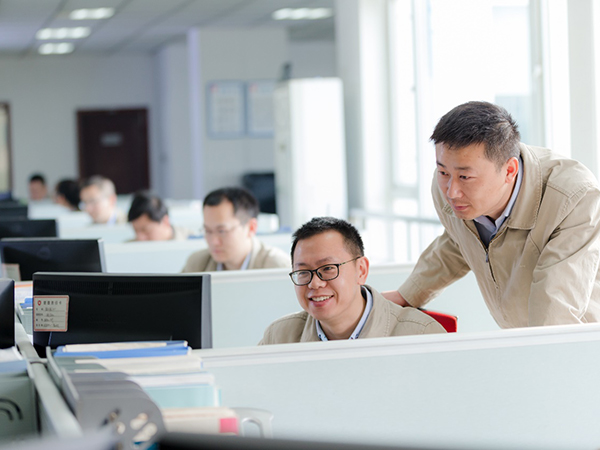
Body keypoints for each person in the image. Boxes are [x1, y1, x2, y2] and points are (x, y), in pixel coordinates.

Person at [382, 101, 600, 328]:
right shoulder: (445, 190)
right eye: (443, 171)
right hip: (522, 337)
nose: (451, 192)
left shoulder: (573, 198)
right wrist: (407, 296)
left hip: (578, 340)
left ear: (509, 170)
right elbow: (459, 241)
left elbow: (555, 310)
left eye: (465, 177)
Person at [259, 217, 446, 344]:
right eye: (303, 272)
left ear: (361, 270)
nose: (314, 283)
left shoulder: (421, 334)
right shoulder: (279, 337)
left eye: (327, 268)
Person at [181, 187, 289, 272]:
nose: (214, 241)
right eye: (208, 231)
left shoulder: (277, 267)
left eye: (222, 231)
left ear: (251, 227)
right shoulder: (196, 265)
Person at [128, 190, 194, 241]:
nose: (140, 238)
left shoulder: (191, 242)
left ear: (165, 221)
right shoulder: (128, 248)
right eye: (136, 231)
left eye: (146, 231)